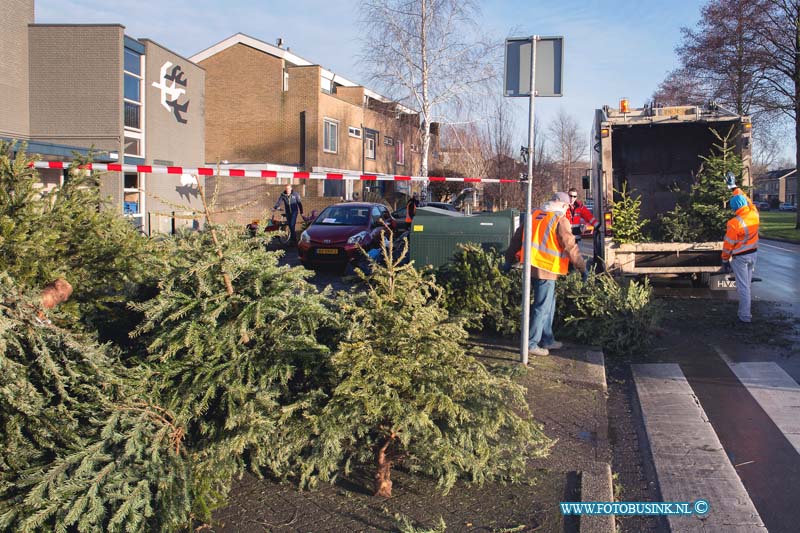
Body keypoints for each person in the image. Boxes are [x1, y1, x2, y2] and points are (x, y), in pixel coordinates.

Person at [505, 192, 587, 356]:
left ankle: (547, 339)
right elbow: (570, 247)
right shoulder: (560, 220)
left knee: (548, 304)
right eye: (566, 207)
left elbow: (516, 238)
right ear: (563, 205)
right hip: (546, 268)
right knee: (542, 307)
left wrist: (508, 260)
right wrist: (582, 268)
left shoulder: (534, 214)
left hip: (530, 265)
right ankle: (531, 344)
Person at [721, 194, 759, 323]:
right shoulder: (754, 213)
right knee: (746, 286)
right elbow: (748, 200)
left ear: (734, 208)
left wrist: (725, 260)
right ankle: (744, 313)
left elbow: (728, 244)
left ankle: (745, 316)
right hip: (753, 254)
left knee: (743, 287)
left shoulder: (734, 223)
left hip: (740, 258)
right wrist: (734, 188)